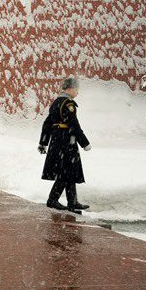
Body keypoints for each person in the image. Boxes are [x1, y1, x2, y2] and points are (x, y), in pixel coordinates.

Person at [38, 77, 92, 214]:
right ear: (70, 89)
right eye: (76, 89)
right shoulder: (68, 104)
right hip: (66, 141)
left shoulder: (56, 102)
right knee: (65, 173)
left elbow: (47, 124)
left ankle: (72, 202)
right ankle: (53, 200)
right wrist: (84, 142)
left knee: (69, 172)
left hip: (57, 141)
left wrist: (43, 142)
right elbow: (74, 125)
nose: (77, 93)